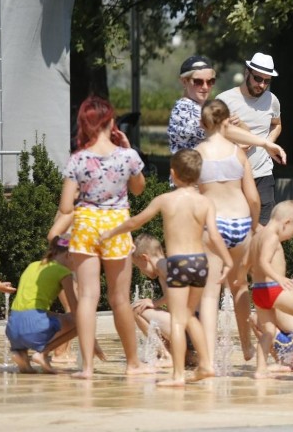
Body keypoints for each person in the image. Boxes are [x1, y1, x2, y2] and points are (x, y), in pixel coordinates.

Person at [100, 149, 234, 387]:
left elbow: (136, 221)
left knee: (178, 320)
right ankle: (206, 364)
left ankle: (178, 374)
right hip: (200, 263)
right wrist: (228, 261)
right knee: (191, 317)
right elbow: (214, 236)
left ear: (173, 174)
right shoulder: (205, 202)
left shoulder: (165, 199)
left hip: (178, 263)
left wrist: (111, 232)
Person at [49, 95, 149, 380]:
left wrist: (86, 196)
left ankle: (88, 368)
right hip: (116, 225)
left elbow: (66, 206)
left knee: (88, 297)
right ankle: (132, 364)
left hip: (86, 226)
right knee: (119, 298)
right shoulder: (126, 156)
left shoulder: (78, 159)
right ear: (111, 122)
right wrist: (130, 150)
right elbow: (140, 189)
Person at [195, 99, 260, 362]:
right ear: (226, 122)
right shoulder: (238, 153)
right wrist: (253, 226)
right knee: (239, 284)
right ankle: (247, 346)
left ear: (202, 123)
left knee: (210, 293)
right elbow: (253, 197)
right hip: (241, 222)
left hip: (214, 226)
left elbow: (193, 197)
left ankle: (208, 359)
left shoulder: (197, 154)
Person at [236, 200, 293, 379]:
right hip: (272, 289)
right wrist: (279, 278)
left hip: (259, 292)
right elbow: (263, 261)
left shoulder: (256, 237)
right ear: (286, 222)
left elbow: (244, 263)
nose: (292, 236)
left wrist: (240, 280)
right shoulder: (271, 236)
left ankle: (260, 369)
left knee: (269, 332)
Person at [167, 54, 286, 163]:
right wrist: (264, 143)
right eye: (198, 82)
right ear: (184, 81)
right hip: (190, 184)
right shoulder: (183, 110)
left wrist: (240, 125)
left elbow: (234, 133)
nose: (205, 87)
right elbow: (223, 130)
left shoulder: (203, 108)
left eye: (210, 81)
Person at [216, 52, 282, 225]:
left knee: (262, 231)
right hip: (232, 177)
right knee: (234, 233)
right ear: (247, 73)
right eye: (257, 78)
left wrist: (268, 143)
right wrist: (234, 145)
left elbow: (277, 124)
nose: (261, 85)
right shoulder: (224, 100)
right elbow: (212, 139)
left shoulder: (272, 100)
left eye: (267, 81)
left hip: (263, 175)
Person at [5, 236, 79, 373]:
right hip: (34, 327)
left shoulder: (32, 265)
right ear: (70, 255)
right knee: (81, 321)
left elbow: (29, 306)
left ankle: (20, 354)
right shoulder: (64, 272)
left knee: (35, 316)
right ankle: (43, 353)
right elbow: (76, 310)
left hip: (12, 327)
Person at [129, 233, 175, 367]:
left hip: (183, 329)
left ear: (145, 258)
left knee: (136, 309)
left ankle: (167, 355)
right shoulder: (165, 268)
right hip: (186, 329)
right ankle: (169, 351)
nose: (141, 272)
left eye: (139, 266)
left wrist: (154, 302)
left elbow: (176, 291)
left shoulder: (163, 266)